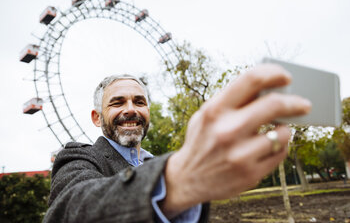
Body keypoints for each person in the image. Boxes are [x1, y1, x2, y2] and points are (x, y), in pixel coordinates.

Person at [43, 64, 311, 222]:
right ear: (96, 117)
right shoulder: (78, 159)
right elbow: (70, 209)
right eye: (117, 102)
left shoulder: (156, 163)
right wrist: (179, 180)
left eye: (139, 102)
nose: (130, 109)